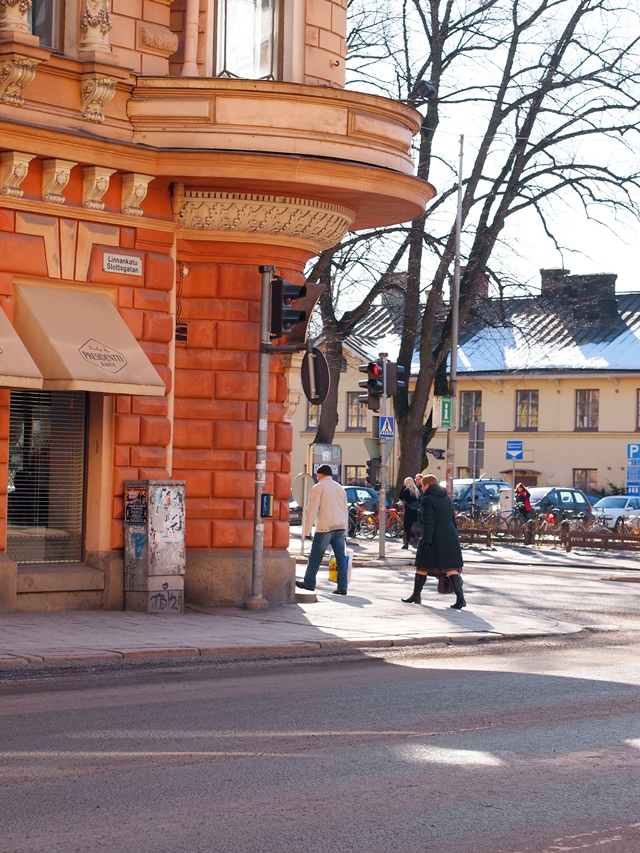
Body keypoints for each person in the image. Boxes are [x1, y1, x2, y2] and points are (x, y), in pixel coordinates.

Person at [402, 473, 466, 609]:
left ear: (427, 485)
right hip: (449, 534)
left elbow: (428, 522)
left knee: (422, 564)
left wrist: (426, 541)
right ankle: (460, 599)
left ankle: (416, 595)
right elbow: (453, 520)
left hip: (435, 535)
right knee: (450, 567)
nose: (421, 488)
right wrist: (454, 536)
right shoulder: (447, 498)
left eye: (422, 486)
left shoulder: (427, 500)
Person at [296, 465, 350, 595]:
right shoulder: (340, 489)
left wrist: (307, 531)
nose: (316, 476)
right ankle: (342, 587)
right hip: (340, 527)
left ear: (320, 474)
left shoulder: (318, 487)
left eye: (317, 474)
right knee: (340, 558)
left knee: (315, 556)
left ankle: (309, 583)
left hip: (325, 527)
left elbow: (312, 510)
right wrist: (345, 529)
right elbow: (345, 510)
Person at [398, 476, 421, 549]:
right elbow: (419, 500)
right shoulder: (415, 490)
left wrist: (403, 488)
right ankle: (406, 543)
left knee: (406, 528)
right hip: (414, 510)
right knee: (409, 527)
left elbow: (400, 496)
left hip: (408, 510)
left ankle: (415, 538)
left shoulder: (407, 490)